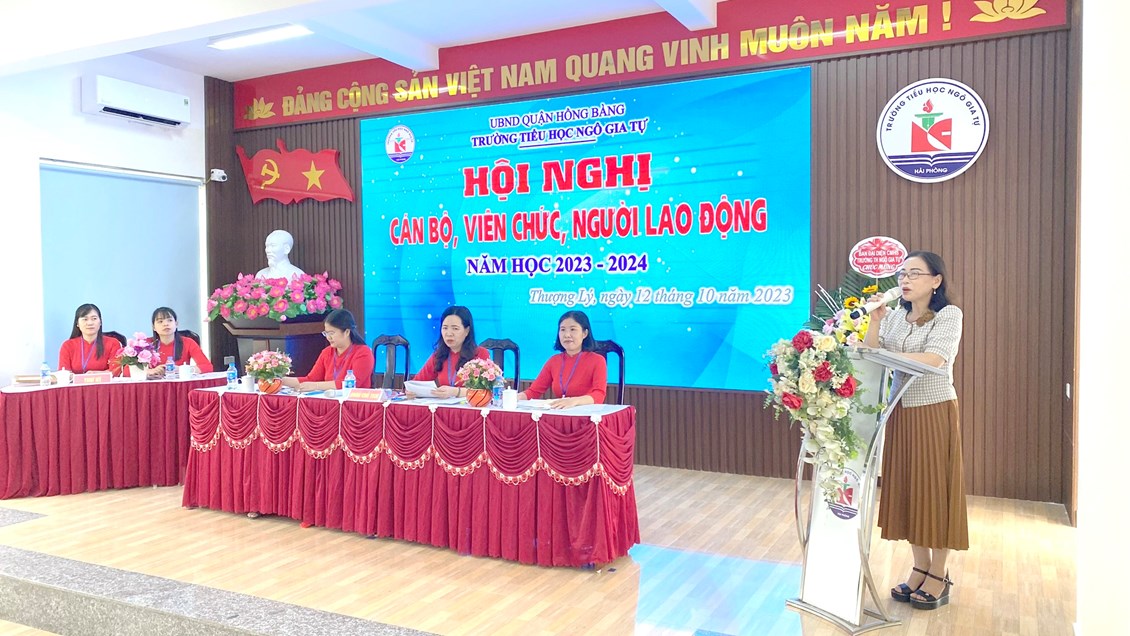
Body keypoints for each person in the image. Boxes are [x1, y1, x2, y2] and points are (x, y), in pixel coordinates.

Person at [861, 250, 968, 611]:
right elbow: (872, 352)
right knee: (909, 489)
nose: (905, 280)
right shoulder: (894, 316)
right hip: (901, 412)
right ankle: (920, 566)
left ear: (936, 280)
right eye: (902, 274)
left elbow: (935, 359)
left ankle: (940, 572)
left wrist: (890, 357)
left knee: (935, 490)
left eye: (914, 273)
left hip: (933, 410)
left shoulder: (949, 315)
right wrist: (875, 320)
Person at [519, 310, 607, 409]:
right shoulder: (553, 361)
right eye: (563, 330)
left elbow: (599, 395)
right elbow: (534, 391)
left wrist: (574, 401)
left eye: (573, 329)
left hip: (587, 414)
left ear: (585, 333)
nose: (567, 335)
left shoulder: (598, 361)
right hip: (561, 413)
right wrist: (514, 397)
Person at [281, 308, 373, 391]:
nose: (328, 337)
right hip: (330, 401)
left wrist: (316, 386)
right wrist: (280, 381)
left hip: (355, 401)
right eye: (326, 333)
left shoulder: (363, 352)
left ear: (347, 332)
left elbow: (353, 384)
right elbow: (311, 379)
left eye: (331, 333)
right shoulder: (327, 352)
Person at [412, 306, 488, 398]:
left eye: (455, 328)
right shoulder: (438, 355)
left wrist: (455, 392)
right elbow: (417, 383)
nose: (449, 333)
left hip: (469, 406)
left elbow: (485, 391)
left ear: (467, 331)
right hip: (443, 406)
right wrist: (412, 391)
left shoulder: (480, 354)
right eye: (445, 328)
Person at [58, 303, 123, 374]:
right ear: (77, 323)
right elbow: (63, 373)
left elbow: (116, 371)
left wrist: (94, 375)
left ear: (100, 322)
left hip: (104, 381)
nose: (90, 323)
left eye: (94, 319)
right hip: (76, 381)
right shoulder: (67, 346)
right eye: (85, 319)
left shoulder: (113, 343)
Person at [148, 307, 213, 377]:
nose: (165, 324)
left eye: (170, 320)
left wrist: (181, 369)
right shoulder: (145, 344)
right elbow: (138, 371)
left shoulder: (188, 342)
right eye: (160, 321)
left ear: (176, 324)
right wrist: (150, 371)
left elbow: (207, 367)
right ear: (153, 327)